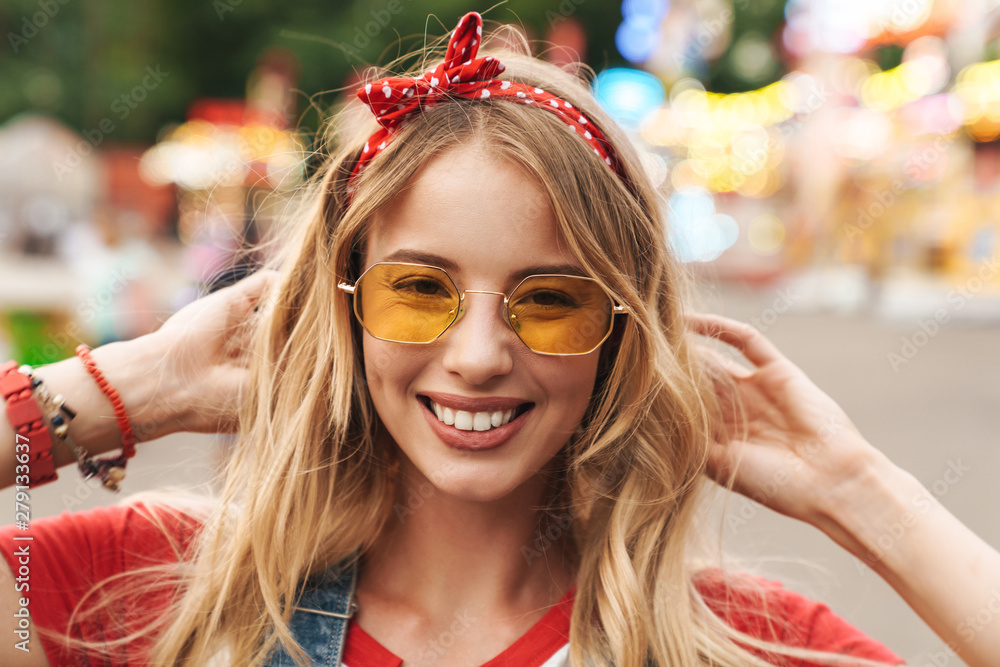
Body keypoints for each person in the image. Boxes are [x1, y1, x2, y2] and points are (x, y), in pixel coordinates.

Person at [0, 11, 998, 667]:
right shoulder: (166, 591)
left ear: (621, 330)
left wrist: (863, 495)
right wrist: (134, 384)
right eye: (419, 290)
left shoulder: (734, 643)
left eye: (551, 299)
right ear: (343, 305)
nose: (478, 353)